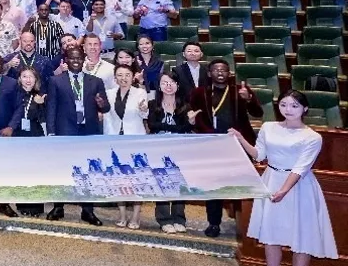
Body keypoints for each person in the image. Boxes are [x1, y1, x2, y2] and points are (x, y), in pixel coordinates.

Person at [231, 90, 339, 266]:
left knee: (302, 239)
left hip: (299, 187)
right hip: (271, 180)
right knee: (271, 236)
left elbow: (301, 168)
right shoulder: (268, 127)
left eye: (294, 106)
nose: (288, 110)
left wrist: (284, 190)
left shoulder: (312, 137)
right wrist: (240, 139)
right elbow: (259, 155)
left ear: (305, 109)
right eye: (284, 105)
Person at [189, 59, 263, 237]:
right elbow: (193, 115)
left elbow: (258, 113)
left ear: (229, 73)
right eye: (216, 70)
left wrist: (249, 99)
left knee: (240, 184)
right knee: (212, 185)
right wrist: (205, 129)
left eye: (224, 70)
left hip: (238, 143)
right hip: (212, 145)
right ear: (209, 73)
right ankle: (214, 223)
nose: (220, 72)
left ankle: (243, 221)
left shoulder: (240, 90)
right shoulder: (200, 92)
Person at [44, 47, 110, 225]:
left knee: (88, 171)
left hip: (88, 132)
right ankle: (58, 207)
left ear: (84, 59)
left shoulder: (96, 81)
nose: (75, 61)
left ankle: (87, 211)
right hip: (65, 131)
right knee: (62, 170)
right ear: (66, 60)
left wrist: (101, 103)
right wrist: (51, 132)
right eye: (72, 58)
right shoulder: (55, 81)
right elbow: (51, 108)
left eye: (79, 58)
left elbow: (105, 108)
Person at [104, 64, 149, 229]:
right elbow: (107, 116)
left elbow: (144, 114)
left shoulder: (140, 92)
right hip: (115, 140)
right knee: (118, 179)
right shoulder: (108, 93)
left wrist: (144, 109)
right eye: (120, 75)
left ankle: (136, 215)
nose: (123, 78)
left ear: (132, 77)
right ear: (115, 78)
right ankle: (122, 214)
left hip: (135, 140)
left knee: (136, 178)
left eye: (127, 75)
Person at [147, 73, 192, 233]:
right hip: (158, 150)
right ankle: (164, 219)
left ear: (177, 85)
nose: (168, 85)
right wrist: (177, 128)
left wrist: (187, 123)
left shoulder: (185, 106)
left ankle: (179, 218)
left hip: (180, 150)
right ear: (159, 86)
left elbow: (186, 128)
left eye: (172, 82)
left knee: (180, 182)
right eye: (164, 82)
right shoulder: (153, 104)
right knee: (162, 182)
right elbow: (153, 125)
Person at [4, 66, 48, 217]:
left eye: (31, 76)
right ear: (19, 79)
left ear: (36, 79)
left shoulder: (41, 96)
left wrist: (41, 104)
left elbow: (44, 118)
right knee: (20, 171)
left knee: (35, 171)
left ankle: (36, 207)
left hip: (35, 136)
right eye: (24, 76)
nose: (28, 80)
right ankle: (22, 204)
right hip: (18, 135)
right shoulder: (13, 95)